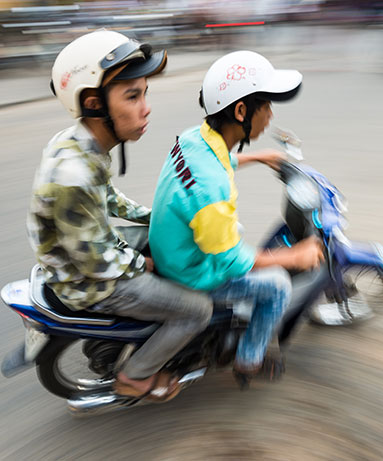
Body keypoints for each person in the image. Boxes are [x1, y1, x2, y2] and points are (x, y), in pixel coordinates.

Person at [27, 30, 212, 402]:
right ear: (95, 104)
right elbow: (97, 261)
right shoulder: (73, 176)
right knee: (197, 310)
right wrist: (141, 264)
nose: (146, 107)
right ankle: (135, 375)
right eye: (132, 96)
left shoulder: (81, 143)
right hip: (88, 280)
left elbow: (108, 198)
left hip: (85, 253)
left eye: (145, 93)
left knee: (163, 245)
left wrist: (153, 217)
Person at [149, 51, 323, 386]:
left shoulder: (193, 139)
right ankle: (249, 359)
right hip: (191, 273)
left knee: (239, 234)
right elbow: (231, 260)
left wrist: (258, 157)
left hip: (174, 249)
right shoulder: (212, 191)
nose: (271, 115)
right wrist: (293, 256)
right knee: (276, 284)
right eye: (266, 106)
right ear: (241, 111)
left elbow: (218, 160)